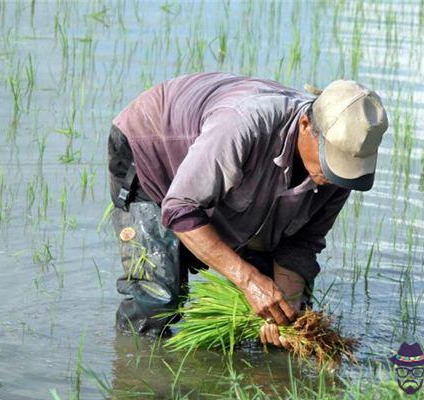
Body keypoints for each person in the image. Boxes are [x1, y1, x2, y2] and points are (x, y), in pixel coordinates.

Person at [107, 72, 388, 348]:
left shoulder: (341, 174)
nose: (333, 177)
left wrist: (284, 311)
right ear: (305, 125)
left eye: (344, 168)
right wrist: (249, 280)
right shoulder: (243, 126)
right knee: (159, 298)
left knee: (275, 303)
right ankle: (137, 373)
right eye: (331, 161)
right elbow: (180, 207)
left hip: (228, 186)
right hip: (151, 155)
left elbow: (301, 242)